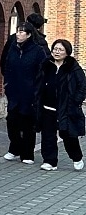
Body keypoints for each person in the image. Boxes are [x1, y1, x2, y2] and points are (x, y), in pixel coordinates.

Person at [0, 15, 49, 164]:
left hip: (30, 93)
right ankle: (15, 147)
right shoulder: (13, 48)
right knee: (12, 121)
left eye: (22, 32)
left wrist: (37, 91)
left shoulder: (38, 50)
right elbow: (5, 65)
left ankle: (27, 154)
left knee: (28, 124)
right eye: (17, 31)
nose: (18, 34)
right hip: (14, 91)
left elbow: (43, 72)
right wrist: (7, 83)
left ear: (28, 35)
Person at [39, 38, 86, 171]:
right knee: (47, 135)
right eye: (55, 49)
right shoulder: (46, 64)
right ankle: (50, 161)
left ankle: (76, 157)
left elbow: (82, 86)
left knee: (68, 135)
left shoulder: (73, 67)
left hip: (66, 108)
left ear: (67, 52)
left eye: (60, 49)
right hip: (47, 107)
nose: (56, 52)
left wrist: (76, 101)